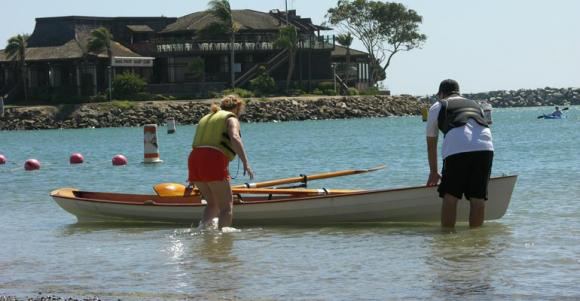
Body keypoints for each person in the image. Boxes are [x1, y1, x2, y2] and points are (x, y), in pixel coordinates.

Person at [425, 79, 494, 228]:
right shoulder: (476, 105)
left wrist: (433, 172)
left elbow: (431, 144)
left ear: (441, 94)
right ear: (458, 92)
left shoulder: (439, 105)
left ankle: (447, 239)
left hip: (457, 150)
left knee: (450, 196)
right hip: (485, 148)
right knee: (477, 198)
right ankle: (476, 241)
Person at [188, 95, 254, 230]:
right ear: (237, 108)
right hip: (213, 159)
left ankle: (205, 235)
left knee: (212, 203)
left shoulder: (207, 117)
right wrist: (245, 162)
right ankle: (224, 241)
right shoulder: (231, 118)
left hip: (194, 159)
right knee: (226, 206)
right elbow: (235, 137)